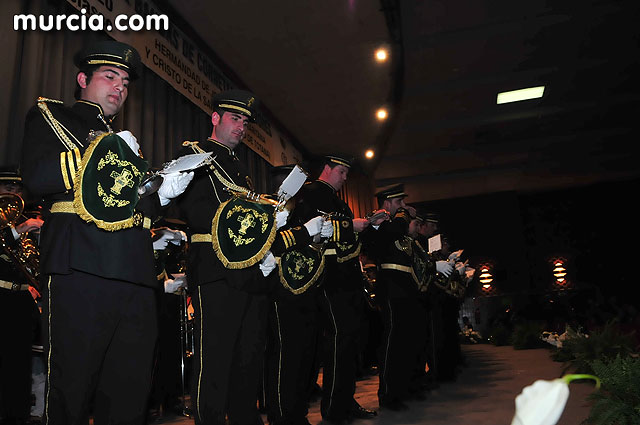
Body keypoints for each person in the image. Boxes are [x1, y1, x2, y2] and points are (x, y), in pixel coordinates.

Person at [20, 40, 192, 425]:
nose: (120, 87)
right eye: (110, 76)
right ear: (83, 79)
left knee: (129, 390)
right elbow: (38, 176)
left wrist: (159, 192)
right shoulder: (53, 116)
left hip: (134, 274)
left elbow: (127, 206)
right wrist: (99, 151)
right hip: (80, 266)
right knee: (72, 385)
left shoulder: (127, 144)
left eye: (126, 82)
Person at [176, 89, 282, 425]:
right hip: (214, 267)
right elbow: (198, 213)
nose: (241, 127)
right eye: (235, 119)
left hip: (249, 272)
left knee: (248, 357)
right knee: (215, 358)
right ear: (216, 118)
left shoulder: (240, 168)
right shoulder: (196, 155)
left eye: (246, 122)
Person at [288, 155, 376, 424]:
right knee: (339, 342)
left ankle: (343, 401)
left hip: (344, 279)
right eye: (341, 171)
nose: (345, 178)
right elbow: (311, 228)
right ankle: (336, 409)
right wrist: (352, 225)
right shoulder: (313, 193)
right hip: (329, 278)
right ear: (327, 170)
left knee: (347, 343)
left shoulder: (336, 200)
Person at [0, 169, 43, 425]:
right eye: (7, 187)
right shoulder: (18, 225)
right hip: (1, 295)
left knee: (21, 363)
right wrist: (19, 230)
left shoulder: (22, 220)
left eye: (17, 189)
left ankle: (18, 415)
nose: (13, 193)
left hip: (21, 299)